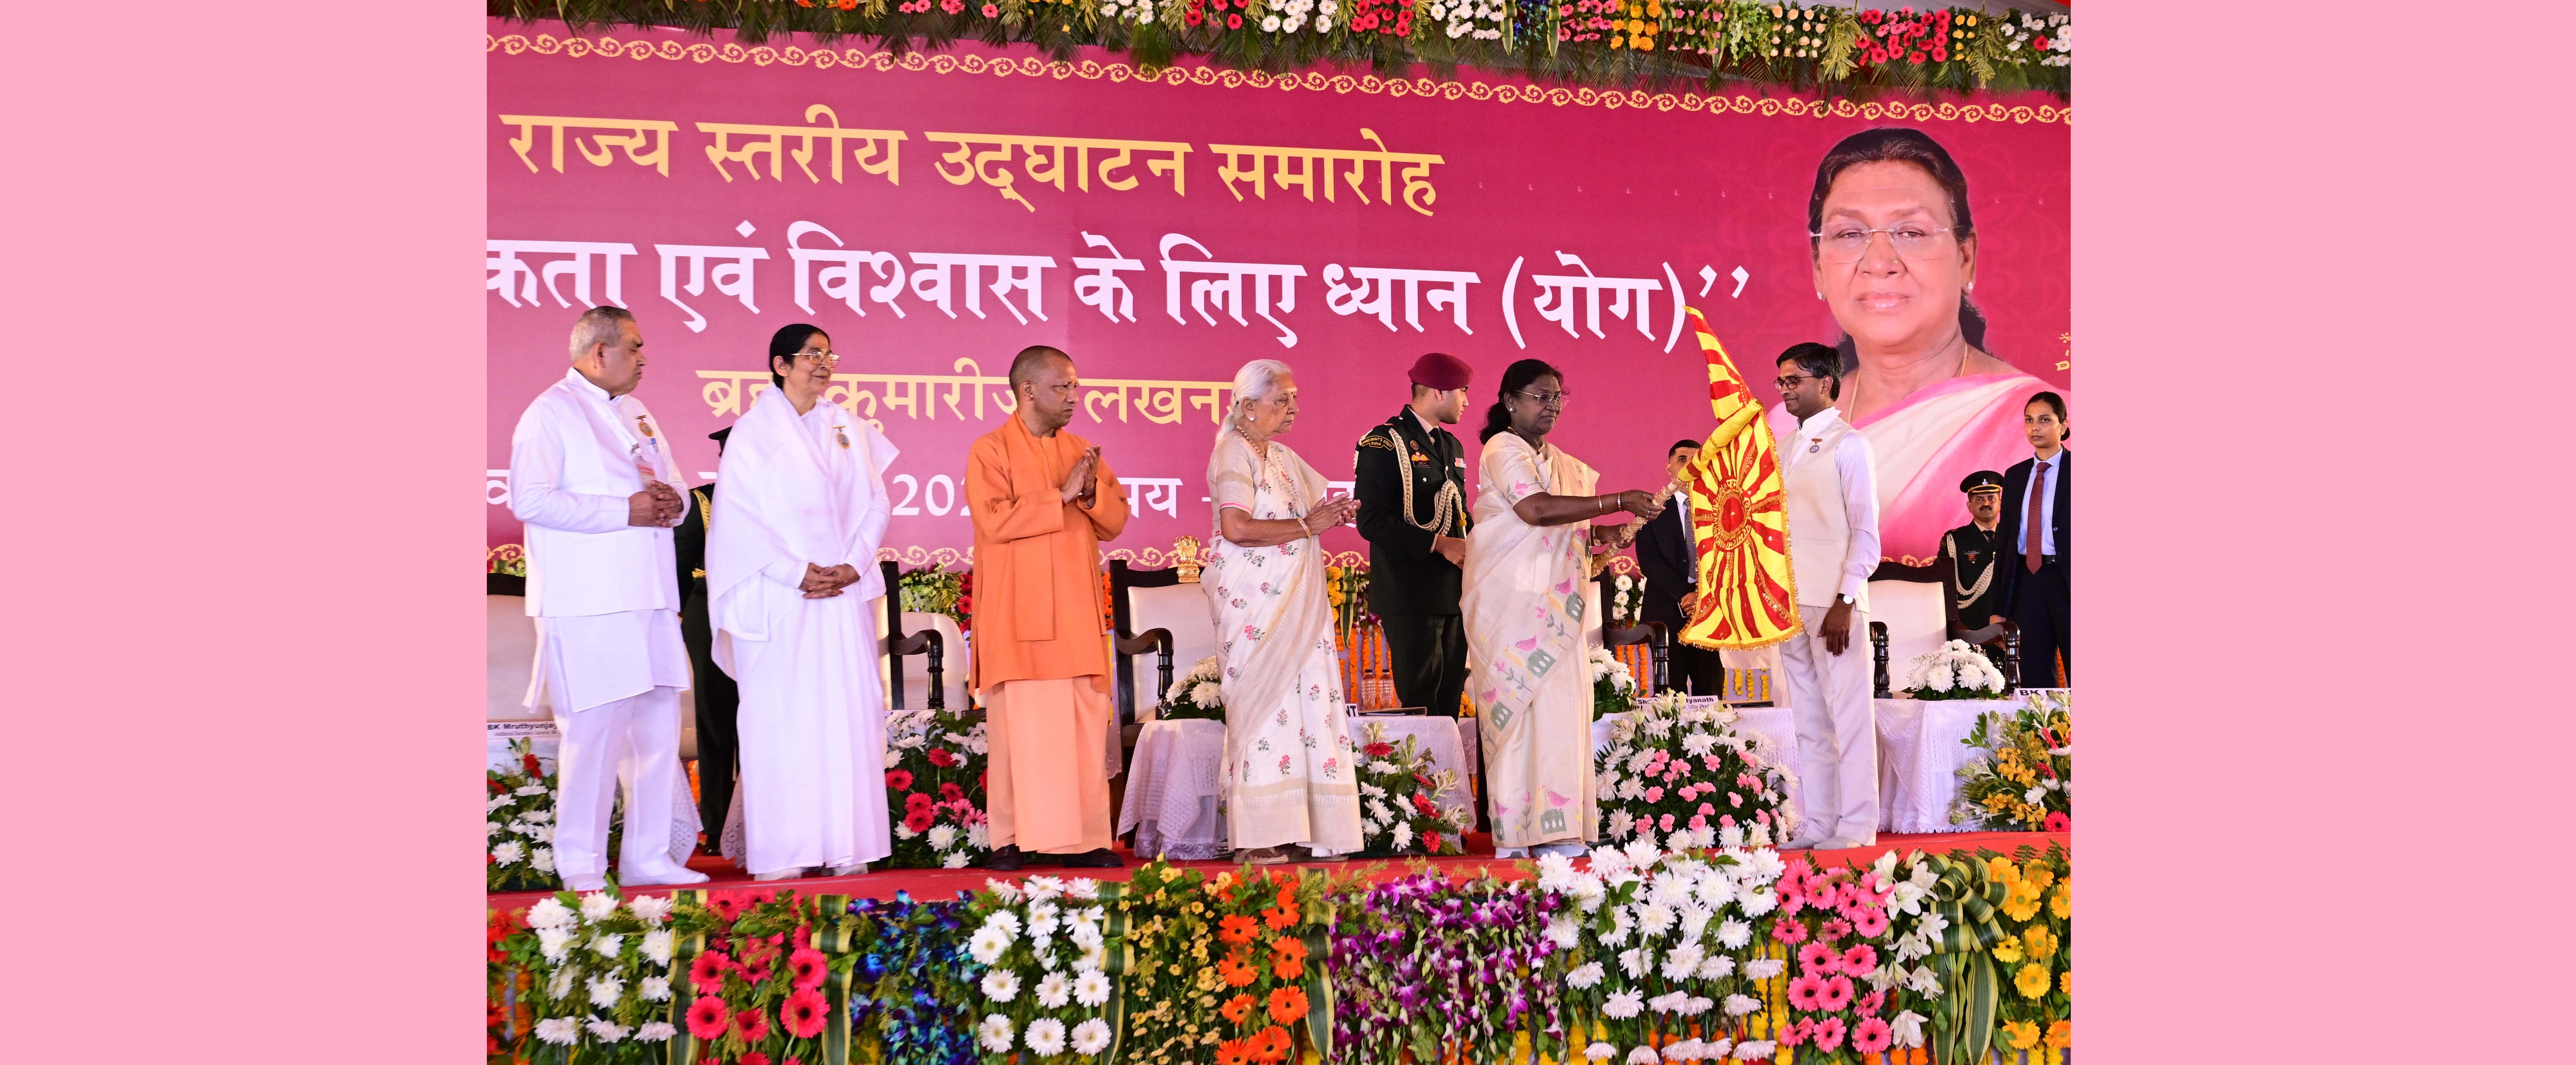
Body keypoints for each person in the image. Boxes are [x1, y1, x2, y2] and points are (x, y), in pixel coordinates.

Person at [507, 306, 709, 891]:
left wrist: (672, 503)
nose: (645, 359)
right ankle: (581, 864)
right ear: (599, 353)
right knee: (593, 739)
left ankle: (649, 857)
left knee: (656, 732)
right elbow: (530, 499)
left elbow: (673, 485)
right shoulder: (550, 412)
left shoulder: (637, 412)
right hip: (589, 604)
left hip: (650, 597)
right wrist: (623, 510)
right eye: (635, 347)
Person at [1800, 127, 2067, 564]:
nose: (1879, 263)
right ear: (1818, 268)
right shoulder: (1782, 432)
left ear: (1965, 257)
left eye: (1911, 232)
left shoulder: (2052, 421)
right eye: (1849, 234)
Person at [706, 324, 898, 882]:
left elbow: (877, 502)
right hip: (780, 595)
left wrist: (854, 563)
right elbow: (738, 518)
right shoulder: (752, 432)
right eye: (812, 354)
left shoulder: (847, 425)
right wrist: (796, 572)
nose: (824, 362)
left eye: (828, 353)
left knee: (846, 717)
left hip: (841, 591)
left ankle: (848, 844)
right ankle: (784, 850)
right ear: (780, 364)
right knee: (782, 720)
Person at [1461, 359, 1665, 859]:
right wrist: (1617, 500)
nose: (1551, 406)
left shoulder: (1557, 460)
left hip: (1557, 606)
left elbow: (1562, 526)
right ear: (1510, 401)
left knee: (1562, 712)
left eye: (1557, 396)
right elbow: (1534, 510)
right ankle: (1518, 833)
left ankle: (1559, 826)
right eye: (1540, 396)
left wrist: (1604, 533)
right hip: (1513, 605)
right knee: (1520, 715)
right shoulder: (1502, 447)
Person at [966, 345, 1132, 871]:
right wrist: (1060, 495)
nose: (1073, 398)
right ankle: (1010, 839)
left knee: (1081, 727)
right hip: (1017, 616)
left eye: (1075, 387)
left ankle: (1087, 839)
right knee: (1018, 730)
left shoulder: (1082, 450)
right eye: (1062, 387)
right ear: (1028, 390)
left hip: (1076, 615)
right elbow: (994, 520)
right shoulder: (990, 450)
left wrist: (1089, 493)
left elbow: (1115, 520)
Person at [1203, 359, 1367, 865]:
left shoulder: (1282, 457)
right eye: (1281, 400)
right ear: (1248, 406)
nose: (1293, 408)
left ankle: (1313, 829)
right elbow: (1236, 527)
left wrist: (1331, 516)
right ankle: (1257, 834)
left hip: (1298, 603)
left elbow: (1309, 517)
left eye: (1294, 398)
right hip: (1255, 605)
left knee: (1308, 706)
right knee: (1265, 709)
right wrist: (1308, 526)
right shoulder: (1233, 452)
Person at [1769, 342, 1883, 852]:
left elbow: (1866, 532)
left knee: (1850, 716)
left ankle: (1857, 825)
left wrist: (1845, 599)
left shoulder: (1850, 444)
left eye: (1794, 380)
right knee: (1809, 719)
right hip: (1790, 600)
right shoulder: (1784, 447)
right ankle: (1819, 823)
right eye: (1781, 381)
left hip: (1835, 603)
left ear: (1825, 383)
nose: (1785, 390)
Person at [1351, 352, 1475, 716]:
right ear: (1439, 391)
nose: (1466, 402)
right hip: (1410, 593)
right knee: (1422, 701)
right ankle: (1424, 758)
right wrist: (1439, 544)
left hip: (1453, 593)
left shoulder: (1451, 446)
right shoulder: (1384, 442)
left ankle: (1448, 759)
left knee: (1451, 699)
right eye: (1463, 391)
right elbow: (1370, 520)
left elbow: (1458, 513)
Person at [671, 426, 741, 855]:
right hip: (709, 614)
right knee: (716, 720)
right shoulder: (702, 502)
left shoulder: (776, 503)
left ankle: (758, 821)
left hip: (764, 617)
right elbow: (678, 569)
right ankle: (716, 826)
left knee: (762, 721)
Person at [1634, 439, 1726, 696]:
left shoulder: (1723, 509)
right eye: (1683, 460)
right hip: (1666, 614)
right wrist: (1685, 595)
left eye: (1698, 460)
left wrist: (1701, 595)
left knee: (1710, 693)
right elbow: (1650, 561)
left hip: (1709, 611)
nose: (1690, 465)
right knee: (1669, 697)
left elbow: (1728, 558)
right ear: (1670, 468)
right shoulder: (1652, 510)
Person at [1998, 391, 2070, 686]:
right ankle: (2043, 720)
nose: (2035, 427)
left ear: (2063, 425)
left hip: (2067, 580)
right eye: (2029, 420)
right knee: (2034, 674)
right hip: (2028, 582)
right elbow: (2004, 543)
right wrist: (1998, 608)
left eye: (2045, 420)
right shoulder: (2015, 476)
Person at [1941, 470, 2009, 632]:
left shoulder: (2013, 538)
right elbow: (1945, 585)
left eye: (1992, 498)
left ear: (2000, 504)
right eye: (1979, 499)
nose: (1986, 503)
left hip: (2009, 622)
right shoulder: (1955, 540)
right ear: (1969, 506)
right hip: (1970, 626)